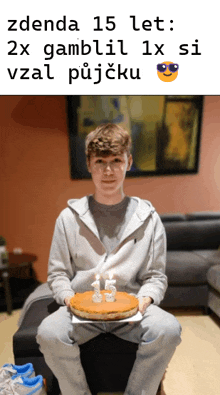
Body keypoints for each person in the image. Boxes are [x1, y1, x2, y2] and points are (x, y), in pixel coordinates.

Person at [36, 123, 182, 395]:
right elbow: (57, 275)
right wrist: (70, 300)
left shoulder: (149, 219)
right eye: (100, 162)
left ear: (129, 162)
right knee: (48, 333)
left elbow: (155, 277)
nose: (108, 170)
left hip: (131, 313)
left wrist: (144, 302)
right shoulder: (68, 218)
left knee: (168, 329)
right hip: (82, 312)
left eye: (116, 161)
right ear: (89, 165)